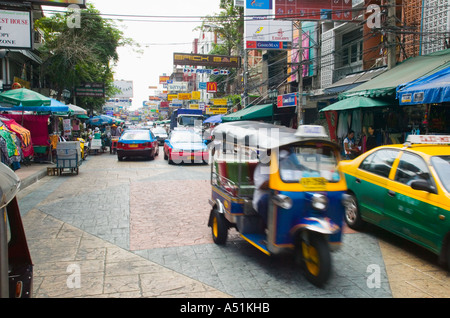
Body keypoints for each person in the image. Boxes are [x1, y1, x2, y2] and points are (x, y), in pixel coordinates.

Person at [252, 150, 271, 226]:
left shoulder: (283, 165)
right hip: (262, 201)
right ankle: (269, 228)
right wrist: (276, 181)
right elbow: (261, 185)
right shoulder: (262, 166)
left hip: (280, 197)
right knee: (266, 199)